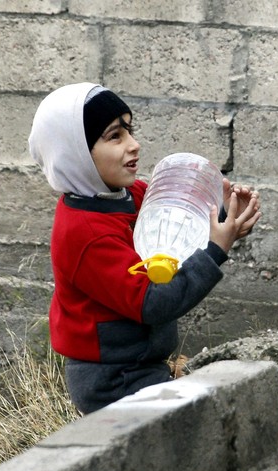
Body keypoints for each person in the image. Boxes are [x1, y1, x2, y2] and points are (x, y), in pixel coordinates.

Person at [28, 82, 261, 414]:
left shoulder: (130, 195)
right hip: (113, 382)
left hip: (143, 365)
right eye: (115, 137)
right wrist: (215, 251)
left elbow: (176, 231)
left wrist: (225, 217)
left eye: (130, 130)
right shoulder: (84, 233)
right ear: (75, 152)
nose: (134, 145)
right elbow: (154, 303)